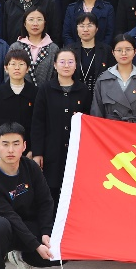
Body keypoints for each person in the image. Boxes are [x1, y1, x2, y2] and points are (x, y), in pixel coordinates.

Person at [0, 122, 56, 269]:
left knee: (60, 253)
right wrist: (36, 245)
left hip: (28, 225)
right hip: (4, 229)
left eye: (16, 144)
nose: (10, 150)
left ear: (24, 146)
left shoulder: (31, 167)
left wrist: (46, 232)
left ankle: (21, 258)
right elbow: (9, 215)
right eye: (5, 144)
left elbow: (45, 201)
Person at [30, 48, 89, 203]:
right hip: (51, 150)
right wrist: (37, 152)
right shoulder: (45, 89)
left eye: (70, 62)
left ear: (76, 65)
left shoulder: (83, 90)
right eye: (62, 62)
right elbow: (38, 123)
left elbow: (89, 122)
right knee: (51, 192)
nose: (66, 65)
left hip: (76, 151)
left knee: (75, 191)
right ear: (55, 65)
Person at [91, 35, 136, 124]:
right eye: (119, 50)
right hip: (110, 129)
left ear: (135, 52)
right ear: (113, 52)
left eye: (128, 49)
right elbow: (96, 114)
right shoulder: (103, 79)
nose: (123, 53)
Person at [0, 48, 37, 155]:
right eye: (13, 64)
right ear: (6, 68)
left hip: (29, 152)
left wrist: (34, 150)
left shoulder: (35, 93)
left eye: (21, 64)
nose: (17, 68)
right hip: (3, 152)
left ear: (28, 68)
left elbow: (39, 124)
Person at [70, 12, 114, 99]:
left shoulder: (106, 50)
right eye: (82, 26)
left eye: (90, 25)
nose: (85, 29)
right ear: (77, 28)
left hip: (101, 96)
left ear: (96, 28)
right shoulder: (69, 50)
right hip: (74, 96)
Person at [11, 9, 58, 88]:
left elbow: (56, 75)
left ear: (44, 23)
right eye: (31, 19)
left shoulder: (53, 48)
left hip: (47, 93)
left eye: (39, 20)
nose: (35, 24)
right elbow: (8, 74)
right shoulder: (15, 47)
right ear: (24, 24)